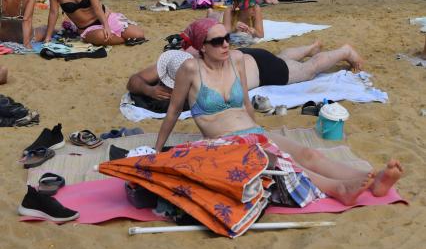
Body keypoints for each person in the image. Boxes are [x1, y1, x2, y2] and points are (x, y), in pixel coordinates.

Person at [155, 20, 403, 206]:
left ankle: (373, 178)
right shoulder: (190, 69)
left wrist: (263, 133)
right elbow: (173, 111)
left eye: (227, 38)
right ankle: (339, 189)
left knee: (308, 153)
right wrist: (157, 151)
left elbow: (247, 105)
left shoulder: (236, 59)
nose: (225, 45)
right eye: (217, 42)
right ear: (202, 47)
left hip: (251, 132)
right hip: (225, 142)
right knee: (288, 163)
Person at [127, 23, 363, 111]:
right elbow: (135, 79)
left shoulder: (182, 70)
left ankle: (345, 51)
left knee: (307, 71)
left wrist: (148, 92)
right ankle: (310, 47)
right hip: (247, 57)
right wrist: (148, 90)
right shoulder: (175, 64)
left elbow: (133, 82)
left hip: (258, 68)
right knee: (281, 58)